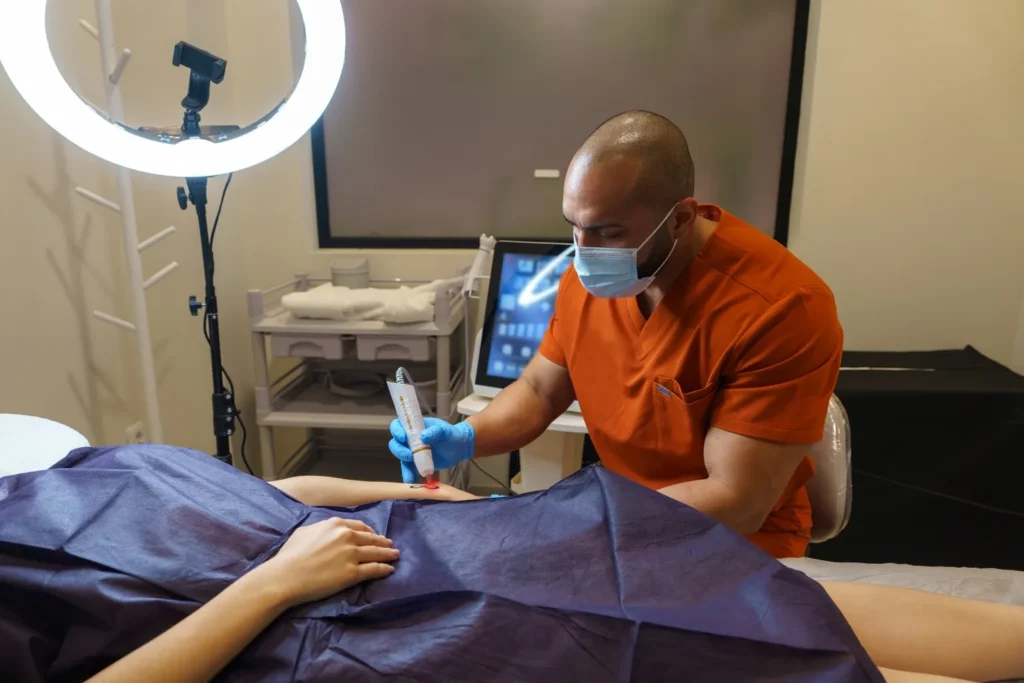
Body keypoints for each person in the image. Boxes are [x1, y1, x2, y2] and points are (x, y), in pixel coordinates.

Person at [391, 110, 843, 558]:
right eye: (574, 225)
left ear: (680, 218)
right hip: (623, 521)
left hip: (735, 544)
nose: (583, 252)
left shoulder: (781, 309)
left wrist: (571, 522)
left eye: (608, 232)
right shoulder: (585, 279)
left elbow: (735, 500)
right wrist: (465, 437)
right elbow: (539, 391)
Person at [81, 474, 1023, 683]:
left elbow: (252, 488)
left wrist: (417, 491)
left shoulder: (59, 472)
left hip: (396, 535)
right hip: (317, 621)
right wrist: (274, 585)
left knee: (703, 575)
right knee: (688, 653)